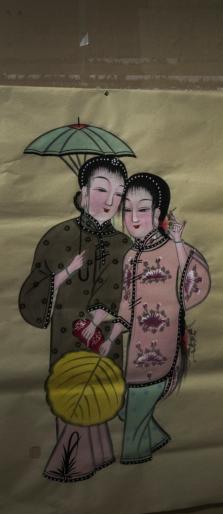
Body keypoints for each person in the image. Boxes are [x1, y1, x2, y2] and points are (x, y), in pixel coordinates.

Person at [19, 155, 133, 482]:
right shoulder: (58, 235)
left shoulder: (124, 244)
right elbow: (32, 291)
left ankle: (94, 458)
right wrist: (63, 275)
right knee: (69, 392)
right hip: (68, 337)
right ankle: (70, 464)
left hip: (105, 338)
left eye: (119, 193)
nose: (110, 201)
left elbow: (132, 295)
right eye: (101, 189)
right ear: (83, 192)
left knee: (99, 394)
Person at [100, 173, 211, 464]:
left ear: (157, 212)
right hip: (134, 352)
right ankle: (158, 441)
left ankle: (132, 467)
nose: (134, 218)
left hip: (161, 351)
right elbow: (126, 304)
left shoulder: (175, 249)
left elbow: (194, 287)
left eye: (143, 209)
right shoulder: (131, 256)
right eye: (127, 209)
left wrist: (178, 243)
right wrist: (111, 338)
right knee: (125, 409)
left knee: (133, 424)